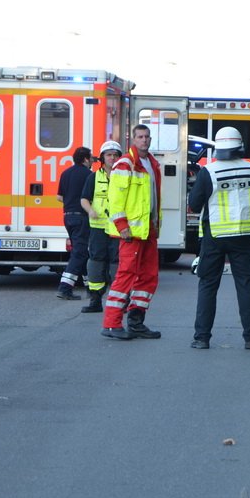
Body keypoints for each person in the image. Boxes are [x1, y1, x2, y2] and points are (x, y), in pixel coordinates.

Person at [189, 126, 250, 350]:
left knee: (208, 285)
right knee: (245, 284)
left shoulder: (209, 172)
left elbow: (194, 204)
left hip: (215, 235)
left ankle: (202, 338)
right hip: (243, 235)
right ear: (239, 145)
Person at [100, 126, 163, 340]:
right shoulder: (125, 163)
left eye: (146, 137)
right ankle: (111, 323)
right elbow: (115, 198)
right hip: (131, 233)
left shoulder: (152, 164)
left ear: (150, 139)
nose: (144, 140)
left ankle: (136, 322)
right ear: (133, 139)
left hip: (147, 232)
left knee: (148, 277)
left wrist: (155, 227)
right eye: (140, 137)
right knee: (125, 277)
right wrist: (122, 225)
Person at [79, 140, 123, 313]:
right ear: (102, 158)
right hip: (98, 228)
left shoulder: (124, 176)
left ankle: (118, 300)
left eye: (115, 155)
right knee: (96, 262)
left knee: (117, 262)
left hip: (118, 228)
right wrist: (90, 211)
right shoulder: (94, 177)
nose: (112, 158)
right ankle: (95, 300)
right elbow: (84, 199)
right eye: (109, 155)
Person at [55, 146, 92, 300]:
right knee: (80, 252)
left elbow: (59, 197)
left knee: (80, 250)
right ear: (85, 159)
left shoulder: (65, 173)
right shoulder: (89, 175)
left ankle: (91, 287)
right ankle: (65, 287)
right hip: (81, 217)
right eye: (91, 158)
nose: (92, 162)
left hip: (67, 216)